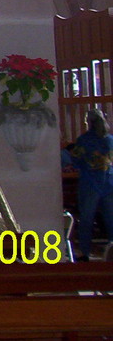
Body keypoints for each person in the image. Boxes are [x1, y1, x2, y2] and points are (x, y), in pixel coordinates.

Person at [70, 110, 113, 260]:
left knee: (87, 219)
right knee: (110, 219)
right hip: (108, 183)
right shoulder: (110, 140)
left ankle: (85, 253)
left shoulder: (84, 140)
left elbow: (74, 160)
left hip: (89, 184)